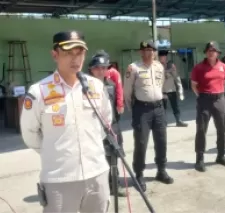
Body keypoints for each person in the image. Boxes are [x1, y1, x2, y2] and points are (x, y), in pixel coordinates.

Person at [20, 31, 111, 213]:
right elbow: (29, 134)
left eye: (79, 53)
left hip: (97, 173)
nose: (75, 59)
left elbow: (105, 123)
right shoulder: (39, 92)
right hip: (60, 179)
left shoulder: (95, 87)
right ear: (55, 55)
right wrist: (55, 151)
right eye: (68, 53)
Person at [124, 40, 174, 192]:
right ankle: (139, 174)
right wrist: (133, 109)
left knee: (161, 140)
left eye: (151, 50)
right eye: (145, 50)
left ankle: (161, 170)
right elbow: (127, 91)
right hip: (142, 110)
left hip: (158, 108)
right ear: (141, 52)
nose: (148, 53)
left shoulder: (159, 66)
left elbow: (161, 84)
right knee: (141, 143)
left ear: (155, 52)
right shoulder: (133, 68)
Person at [88, 51, 126, 197]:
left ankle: (114, 185)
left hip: (112, 126)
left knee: (113, 157)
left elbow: (116, 106)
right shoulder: (85, 87)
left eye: (104, 68)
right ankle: (98, 189)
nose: (101, 71)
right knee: (96, 159)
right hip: (93, 129)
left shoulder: (111, 84)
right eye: (97, 68)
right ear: (91, 69)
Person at [190, 41, 225, 172]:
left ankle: (221, 155)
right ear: (206, 52)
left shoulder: (223, 66)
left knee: (222, 127)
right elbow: (193, 85)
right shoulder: (198, 68)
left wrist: (218, 93)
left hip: (219, 99)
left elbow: (224, 81)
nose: (211, 52)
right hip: (204, 100)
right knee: (201, 129)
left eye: (213, 50)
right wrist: (202, 96)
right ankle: (199, 159)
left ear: (218, 52)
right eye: (209, 50)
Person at [159, 50, 188, 127]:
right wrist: (168, 71)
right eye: (161, 57)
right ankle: (163, 122)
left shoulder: (171, 65)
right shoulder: (157, 66)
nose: (163, 58)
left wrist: (180, 89)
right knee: (162, 108)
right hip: (162, 91)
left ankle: (178, 120)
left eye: (164, 56)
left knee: (175, 106)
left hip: (171, 89)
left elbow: (177, 77)